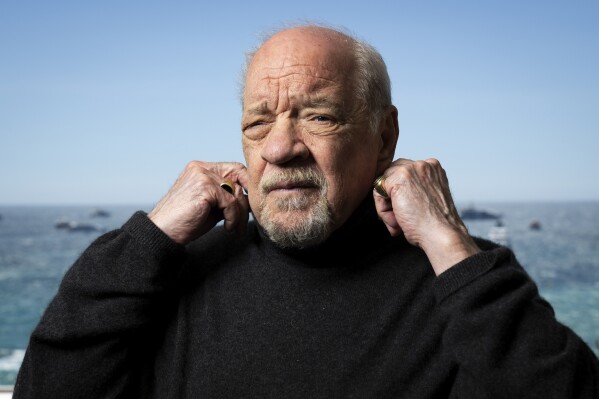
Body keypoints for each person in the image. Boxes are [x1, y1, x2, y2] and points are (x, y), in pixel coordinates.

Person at [14, 25, 599, 399]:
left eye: (319, 117)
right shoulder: (174, 272)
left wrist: (450, 244)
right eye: (257, 123)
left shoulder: (464, 284)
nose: (280, 147)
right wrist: (149, 238)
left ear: (385, 135)